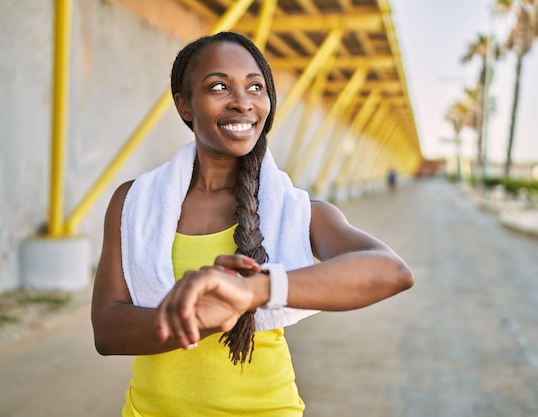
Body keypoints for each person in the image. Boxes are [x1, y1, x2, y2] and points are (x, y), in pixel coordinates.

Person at [91, 31, 414, 417]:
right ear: (185, 105)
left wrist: (256, 291)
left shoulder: (299, 211)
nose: (242, 102)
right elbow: (106, 331)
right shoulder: (133, 202)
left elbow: (391, 272)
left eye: (255, 87)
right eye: (219, 86)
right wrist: (198, 320)